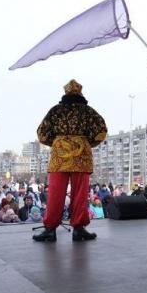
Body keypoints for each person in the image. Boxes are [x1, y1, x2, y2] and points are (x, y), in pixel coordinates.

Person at [33, 80, 108, 242]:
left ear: (65, 93)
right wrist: (86, 142)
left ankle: (50, 229)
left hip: (59, 157)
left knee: (55, 194)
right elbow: (101, 132)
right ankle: (79, 229)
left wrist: (58, 142)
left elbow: (42, 134)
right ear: (80, 92)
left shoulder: (56, 110)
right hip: (82, 156)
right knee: (80, 194)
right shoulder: (88, 111)